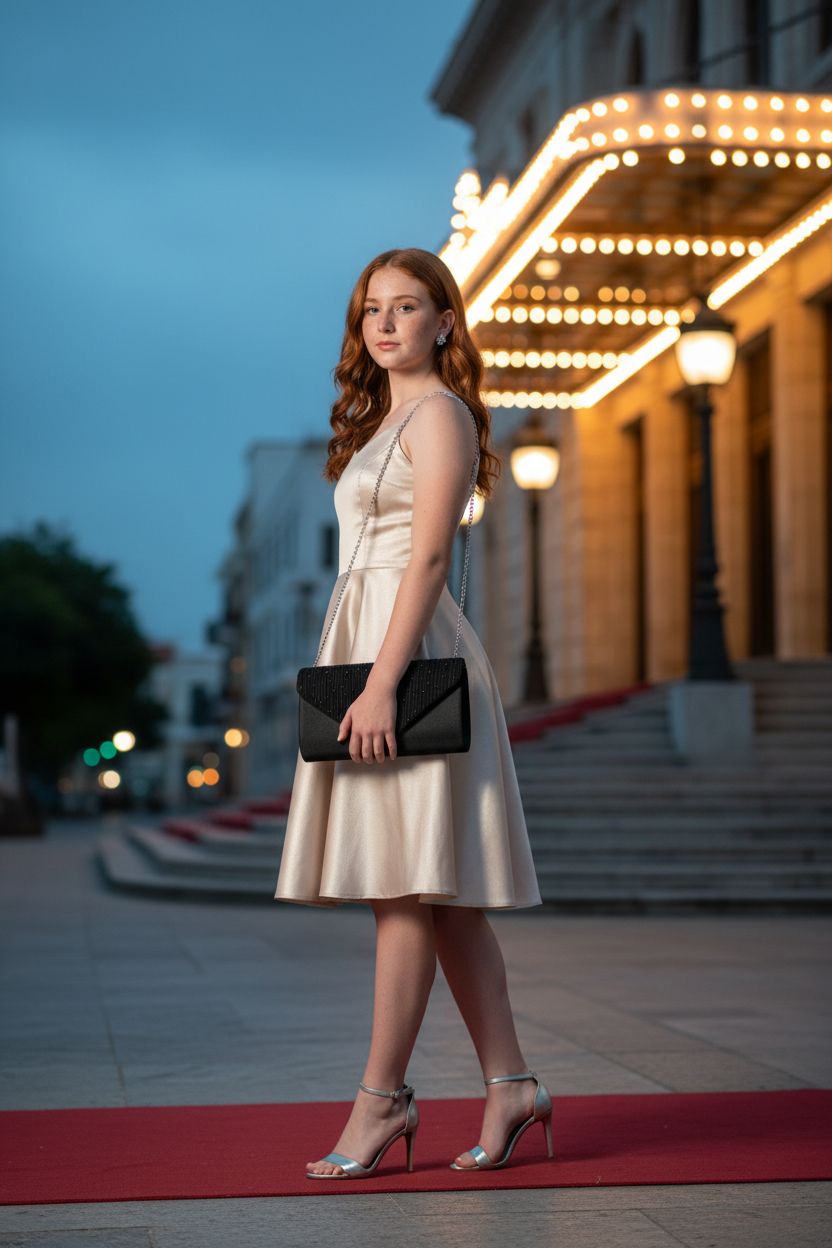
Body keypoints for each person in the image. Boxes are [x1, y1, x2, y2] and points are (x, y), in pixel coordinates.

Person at [274, 247, 552, 1178]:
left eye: (407, 307)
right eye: (371, 311)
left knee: (405, 892)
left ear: (444, 321)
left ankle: (381, 1102)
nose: (386, 324)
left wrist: (382, 682)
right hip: (379, 645)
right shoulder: (380, 419)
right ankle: (512, 1083)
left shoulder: (438, 415)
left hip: (413, 654)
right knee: (442, 902)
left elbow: (427, 560)